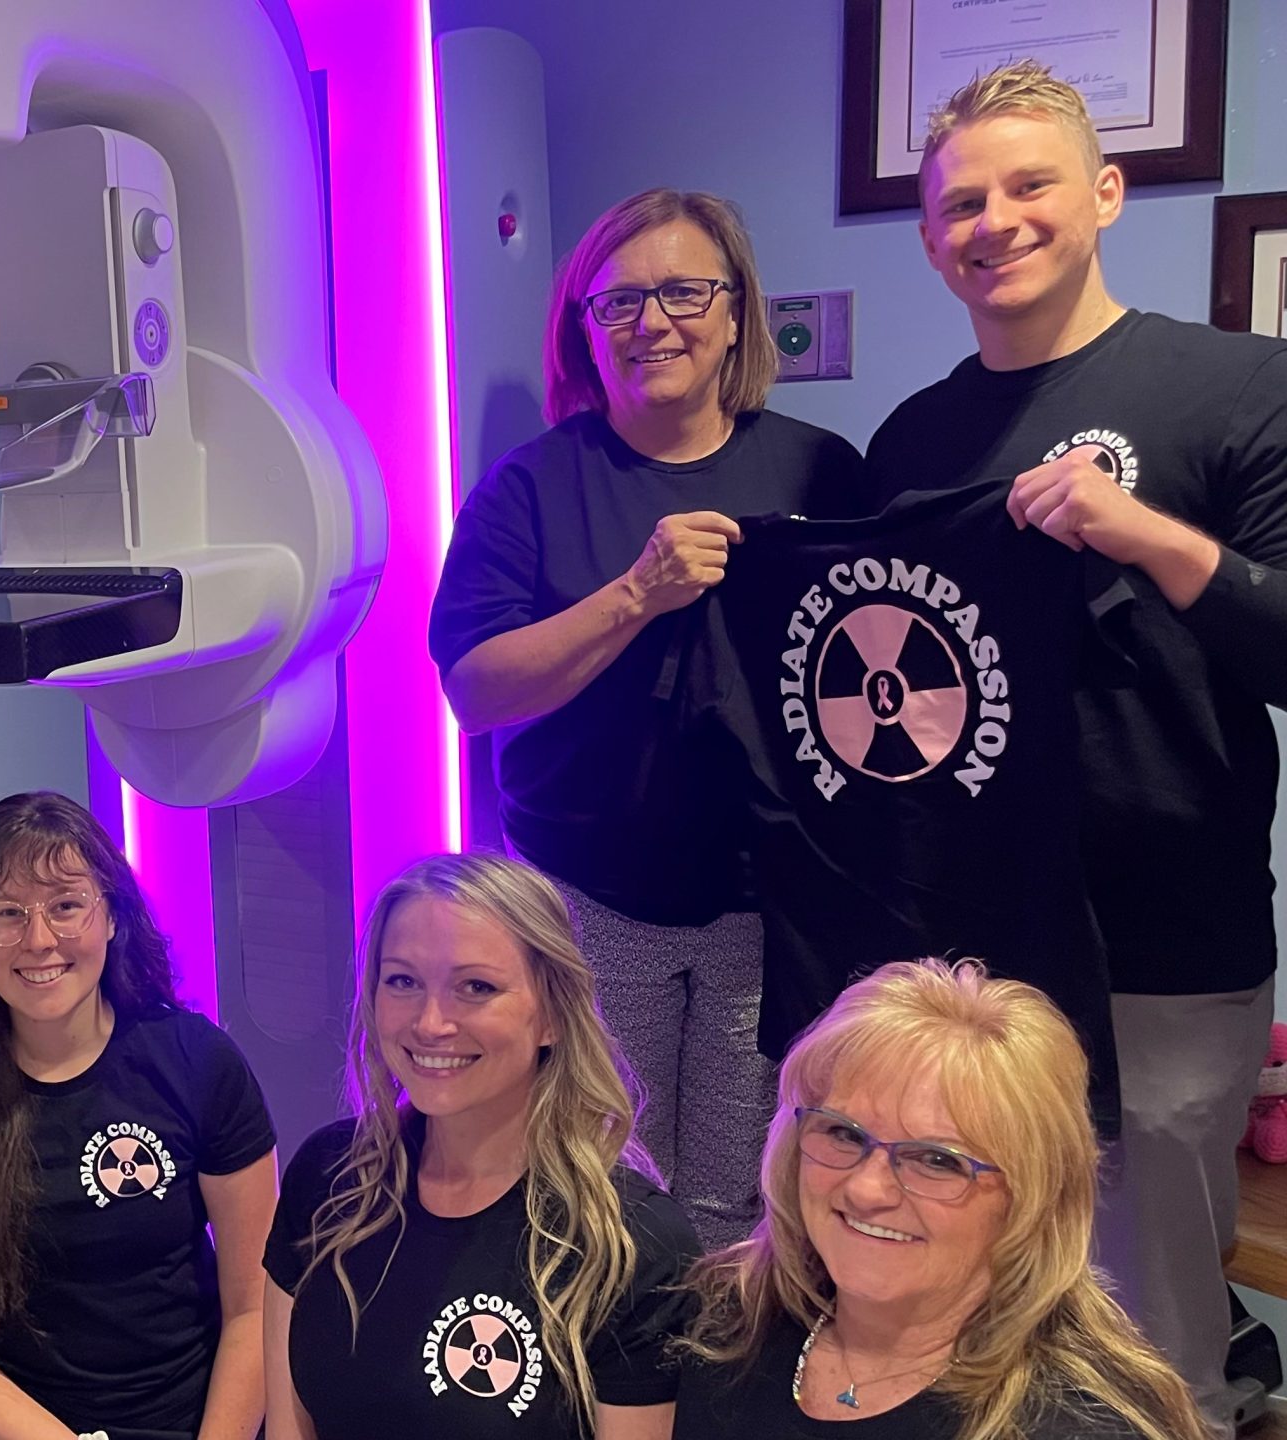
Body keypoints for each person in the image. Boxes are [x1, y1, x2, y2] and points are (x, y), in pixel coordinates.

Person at [860, 60, 1287, 1426]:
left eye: (1030, 184)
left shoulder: (1236, 386)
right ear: (931, 240)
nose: (995, 220)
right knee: (968, 1301)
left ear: (1104, 194)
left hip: (1172, 939)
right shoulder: (914, 439)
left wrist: (1142, 532)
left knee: (1157, 1331)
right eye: (961, 202)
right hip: (971, 955)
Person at [429, 189, 867, 1250]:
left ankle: (705, 1396)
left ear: (733, 314)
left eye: (682, 291)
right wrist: (635, 592)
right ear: (582, 327)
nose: (652, 322)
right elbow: (474, 688)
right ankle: (604, 1395)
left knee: (741, 1194)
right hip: (590, 900)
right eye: (617, 301)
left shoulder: (820, 470)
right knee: (597, 1180)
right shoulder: (531, 488)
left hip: (771, 902)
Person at [0, 791, 278, 1440]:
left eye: (65, 906)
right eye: (7, 913)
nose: (38, 939)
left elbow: (254, 1307)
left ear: (112, 916)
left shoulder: (199, 1063)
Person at [263, 851, 701, 1440]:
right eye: (403, 981)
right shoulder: (328, 1176)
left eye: (476, 987)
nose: (431, 1022)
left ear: (552, 1017)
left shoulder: (635, 1245)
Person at [673, 959, 1203, 1440]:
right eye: (843, 1134)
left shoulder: (1084, 1426)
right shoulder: (720, 1322)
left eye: (937, 1160)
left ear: (1032, 1197)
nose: (866, 1189)